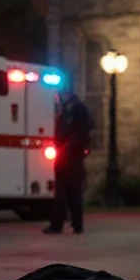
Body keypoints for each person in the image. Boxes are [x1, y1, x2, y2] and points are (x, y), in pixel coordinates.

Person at [45, 86, 94, 235]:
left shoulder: (72, 109)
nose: (58, 97)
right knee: (72, 191)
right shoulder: (76, 108)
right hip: (71, 155)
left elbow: (71, 132)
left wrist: (66, 148)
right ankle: (74, 224)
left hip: (68, 156)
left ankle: (59, 224)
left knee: (65, 191)